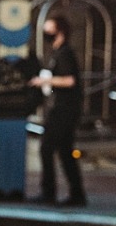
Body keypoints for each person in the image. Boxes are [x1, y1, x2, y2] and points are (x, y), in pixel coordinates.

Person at [30, 13, 87, 207]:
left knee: (47, 148)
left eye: (49, 30)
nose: (46, 34)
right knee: (64, 151)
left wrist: (45, 80)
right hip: (61, 108)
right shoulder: (57, 53)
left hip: (64, 109)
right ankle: (76, 193)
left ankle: (49, 191)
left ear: (60, 32)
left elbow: (70, 80)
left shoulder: (65, 54)